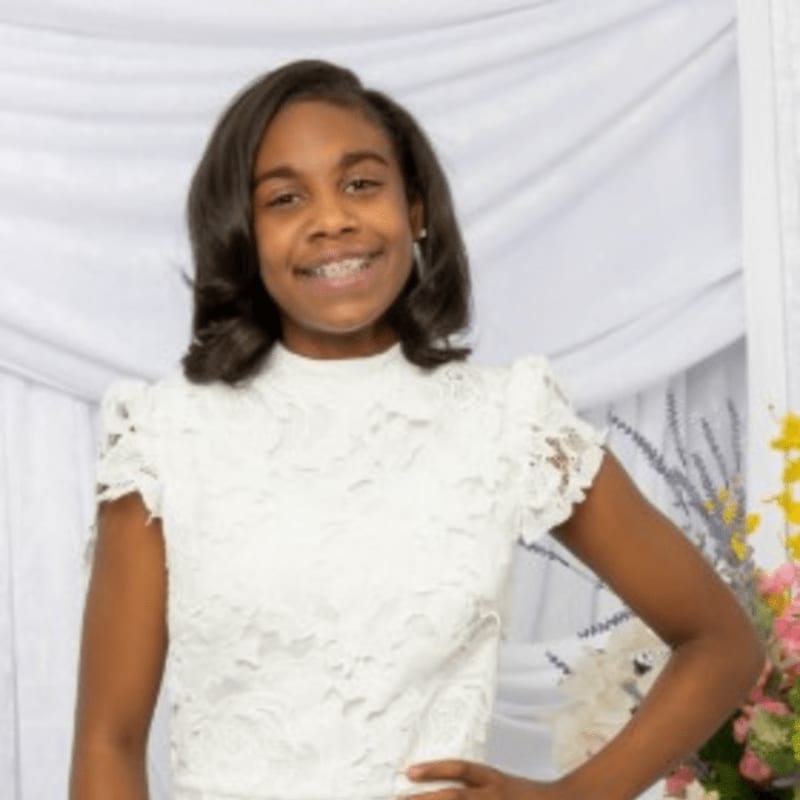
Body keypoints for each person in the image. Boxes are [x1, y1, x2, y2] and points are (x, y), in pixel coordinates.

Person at [69, 59, 763, 800]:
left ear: (417, 210)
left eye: (361, 183)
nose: (332, 219)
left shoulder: (509, 421)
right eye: (285, 198)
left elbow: (721, 644)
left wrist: (568, 798)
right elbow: (109, 741)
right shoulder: (165, 437)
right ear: (244, 232)